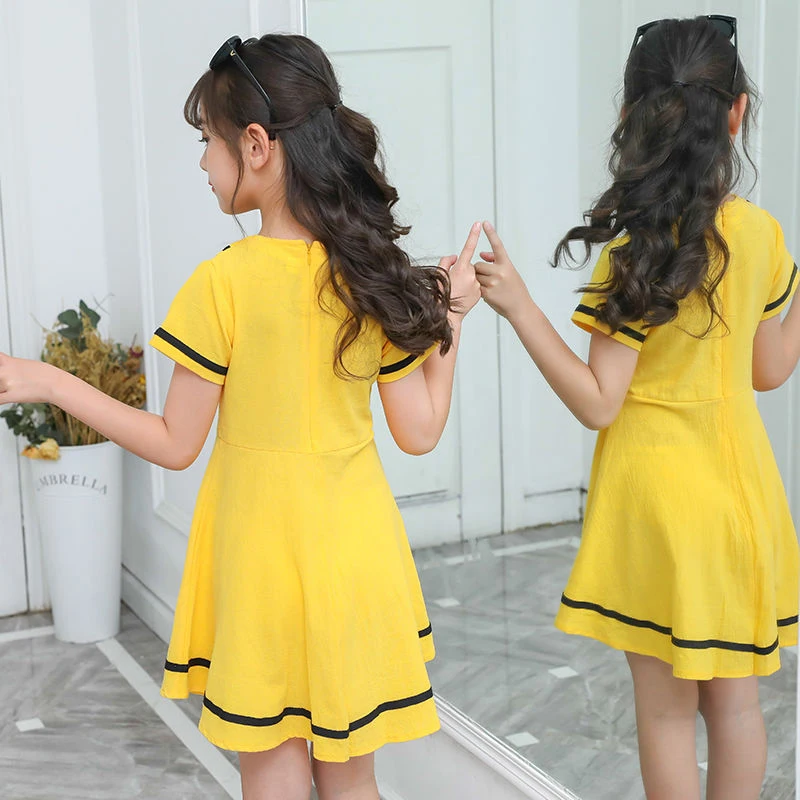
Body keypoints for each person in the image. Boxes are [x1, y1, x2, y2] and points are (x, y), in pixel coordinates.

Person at [0, 33, 481, 800]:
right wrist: (449, 320)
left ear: (255, 146)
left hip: (260, 566)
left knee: (273, 774)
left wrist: (52, 382)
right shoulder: (370, 274)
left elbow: (175, 443)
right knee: (353, 780)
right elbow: (419, 433)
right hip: (356, 558)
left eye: (207, 141)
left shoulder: (224, 283)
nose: (202, 162)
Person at [474, 16, 798, 800]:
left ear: (631, 117)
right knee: (736, 703)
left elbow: (598, 403)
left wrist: (519, 306)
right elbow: (770, 370)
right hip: (742, 499)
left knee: (664, 713)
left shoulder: (638, 254)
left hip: (658, 506)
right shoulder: (760, 235)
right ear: (736, 114)